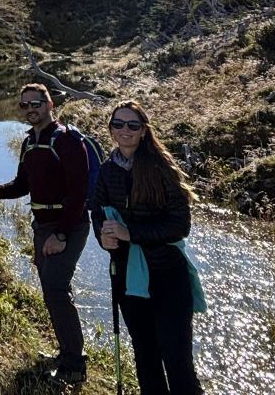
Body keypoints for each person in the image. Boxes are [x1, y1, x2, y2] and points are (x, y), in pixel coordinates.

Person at [0, 83, 90, 384]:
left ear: (49, 103)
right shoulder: (29, 143)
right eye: (24, 105)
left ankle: (75, 367)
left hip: (68, 226)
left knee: (55, 289)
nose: (30, 109)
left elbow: (79, 193)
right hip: (42, 226)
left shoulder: (67, 140)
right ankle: (67, 353)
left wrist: (62, 234)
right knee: (52, 292)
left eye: (35, 103)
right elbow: (22, 184)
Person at [92, 101, 204, 395]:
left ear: (144, 131)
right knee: (145, 358)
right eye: (118, 124)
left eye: (132, 125)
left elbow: (180, 225)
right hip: (128, 278)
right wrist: (102, 237)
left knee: (177, 362)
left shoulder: (162, 168)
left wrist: (131, 234)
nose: (125, 130)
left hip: (168, 274)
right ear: (111, 129)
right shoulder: (106, 170)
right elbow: (98, 212)